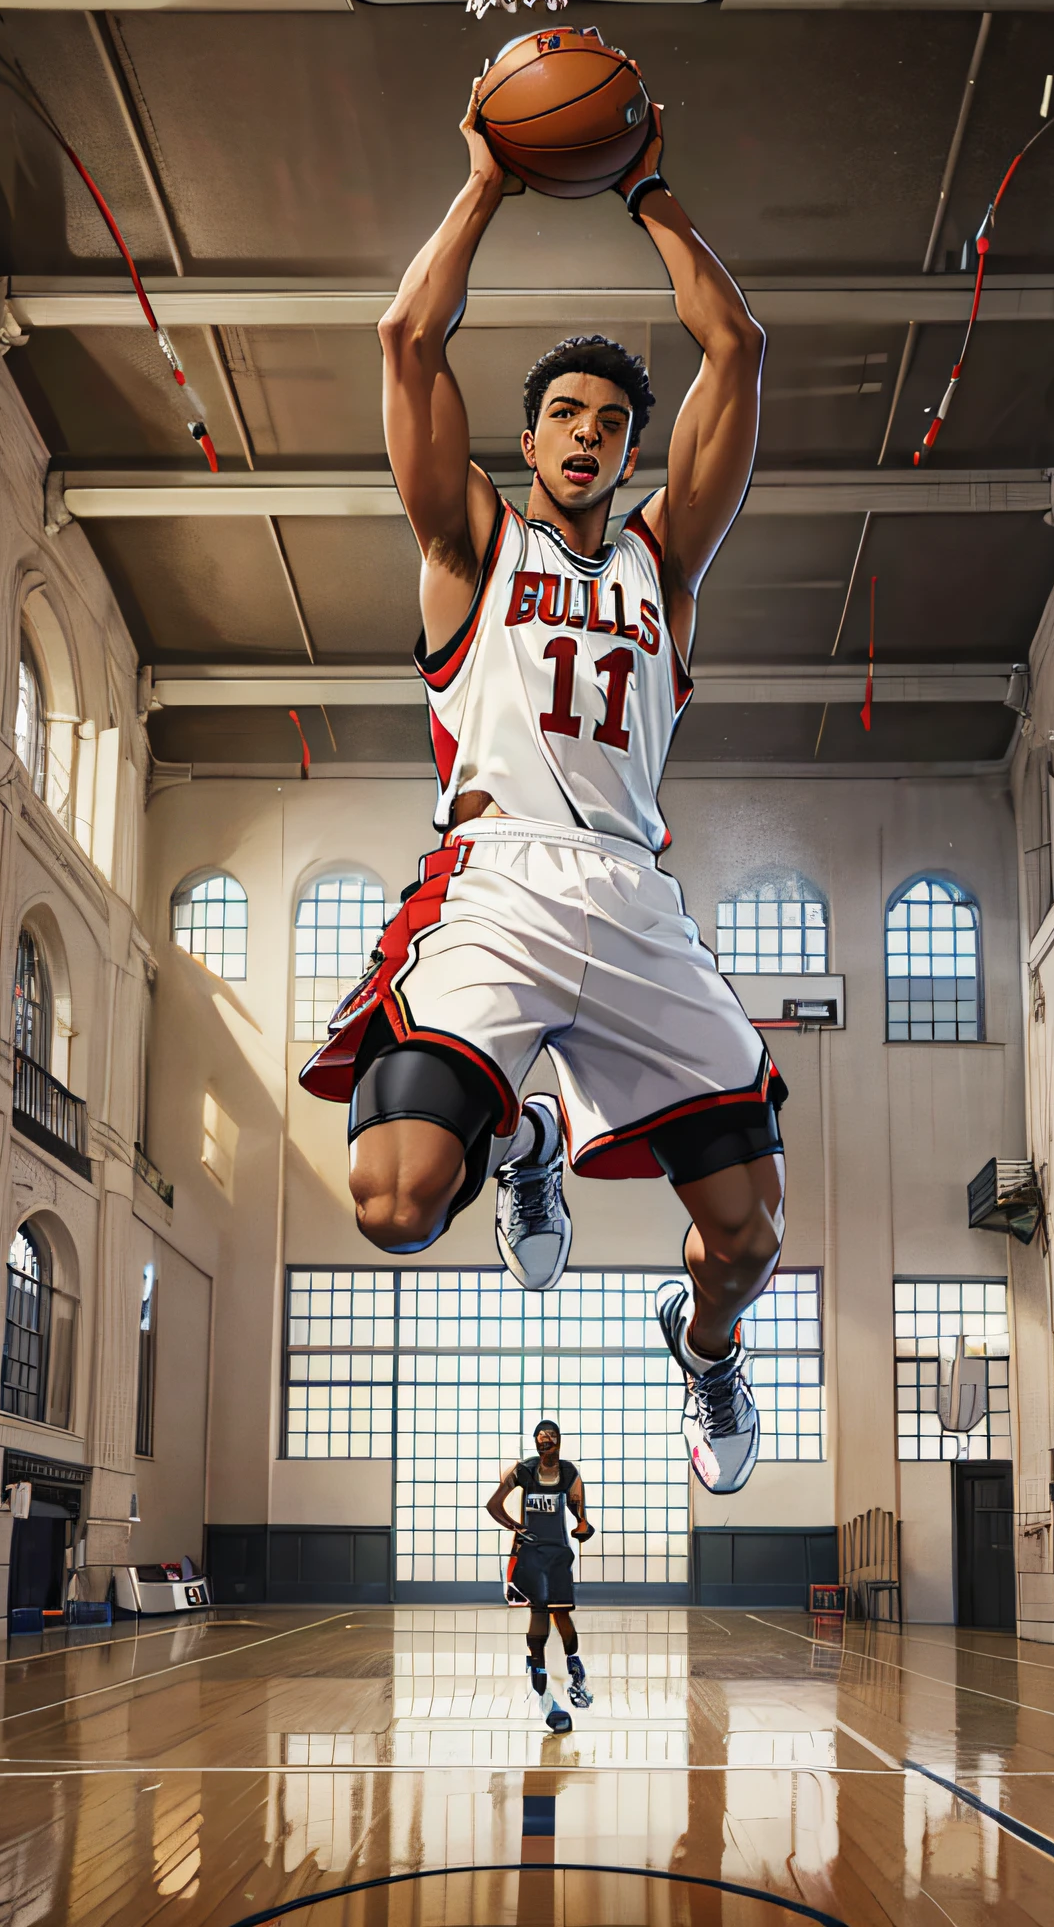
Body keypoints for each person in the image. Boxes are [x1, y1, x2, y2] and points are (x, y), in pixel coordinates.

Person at [298, 78, 786, 1494]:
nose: (588, 434)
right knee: (393, 1203)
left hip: (635, 901)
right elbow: (407, 337)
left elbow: (737, 349)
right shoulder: (471, 546)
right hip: (498, 885)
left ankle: (704, 1352)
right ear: (531, 441)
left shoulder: (663, 568)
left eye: (612, 421)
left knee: (747, 1241)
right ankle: (520, 1135)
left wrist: (646, 189)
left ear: (633, 451)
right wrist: (491, 179)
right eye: (565, 414)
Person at [486, 1420, 593, 1730]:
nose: (545, 1443)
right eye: (540, 1439)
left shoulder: (569, 1473)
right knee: (540, 1615)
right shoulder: (524, 1470)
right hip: (532, 1554)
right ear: (535, 1443)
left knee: (562, 1617)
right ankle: (544, 1696)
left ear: (559, 1441)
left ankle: (575, 1669)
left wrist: (583, 1525)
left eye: (550, 1438)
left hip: (559, 1554)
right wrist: (515, 1527)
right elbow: (493, 1504)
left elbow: (579, 1511)